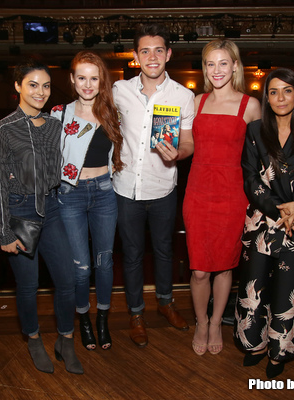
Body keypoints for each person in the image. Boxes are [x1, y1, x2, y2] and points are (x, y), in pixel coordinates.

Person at [0, 59, 83, 375]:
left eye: (45, 85)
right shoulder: (3, 129)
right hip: (19, 212)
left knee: (67, 281)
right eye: (32, 84)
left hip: (52, 209)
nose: (40, 92)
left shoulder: (55, 126)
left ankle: (66, 340)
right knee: (27, 286)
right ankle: (33, 339)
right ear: (17, 86)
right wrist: (4, 232)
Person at [234, 68, 294, 378]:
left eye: (287, 91)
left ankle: (278, 353)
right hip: (261, 221)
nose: (280, 97)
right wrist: (277, 208)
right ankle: (255, 345)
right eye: (273, 92)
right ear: (266, 97)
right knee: (254, 287)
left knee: (289, 290)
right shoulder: (255, 130)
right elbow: (249, 178)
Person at [112, 23, 195, 347]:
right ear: (135, 56)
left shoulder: (183, 96)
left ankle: (165, 303)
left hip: (163, 188)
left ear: (169, 54)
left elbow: (188, 142)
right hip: (125, 188)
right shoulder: (119, 90)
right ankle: (136, 313)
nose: (152, 56)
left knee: (164, 251)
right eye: (145, 50)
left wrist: (179, 153)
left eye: (158, 50)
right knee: (131, 255)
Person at [183, 39, 260, 356]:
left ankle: (216, 322)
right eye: (210, 64)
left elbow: (259, 159)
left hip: (232, 194)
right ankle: (201, 320)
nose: (217, 69)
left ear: (235, 66)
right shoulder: (195, 102)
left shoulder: (250, 105)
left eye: (223, 63)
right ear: (204, 68)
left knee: (225, 267)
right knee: (200, 269)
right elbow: (186, 145)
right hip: (198, 191)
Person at [51, 51, 123, 352]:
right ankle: (82, 319)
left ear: (101, 80)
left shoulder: (111, 112)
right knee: (81, 268)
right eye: (82, 77)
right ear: (72, 79)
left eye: (94, 78)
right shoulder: (59, 114)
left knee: (104, 263)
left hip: (105, 192)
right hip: (71, 195)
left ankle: (103, 319)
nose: (88, 84)